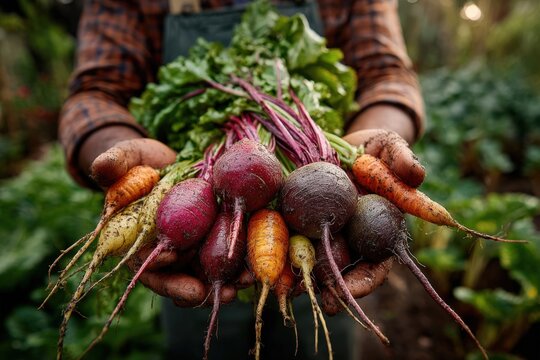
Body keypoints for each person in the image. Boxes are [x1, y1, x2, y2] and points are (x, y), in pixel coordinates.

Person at [58, 0, 425, 358]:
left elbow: (386, 73)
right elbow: (97, 89)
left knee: (321, 328)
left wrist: (376, 143)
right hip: (195, 255)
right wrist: (113, 150)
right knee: (206, 330)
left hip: (322, 229)